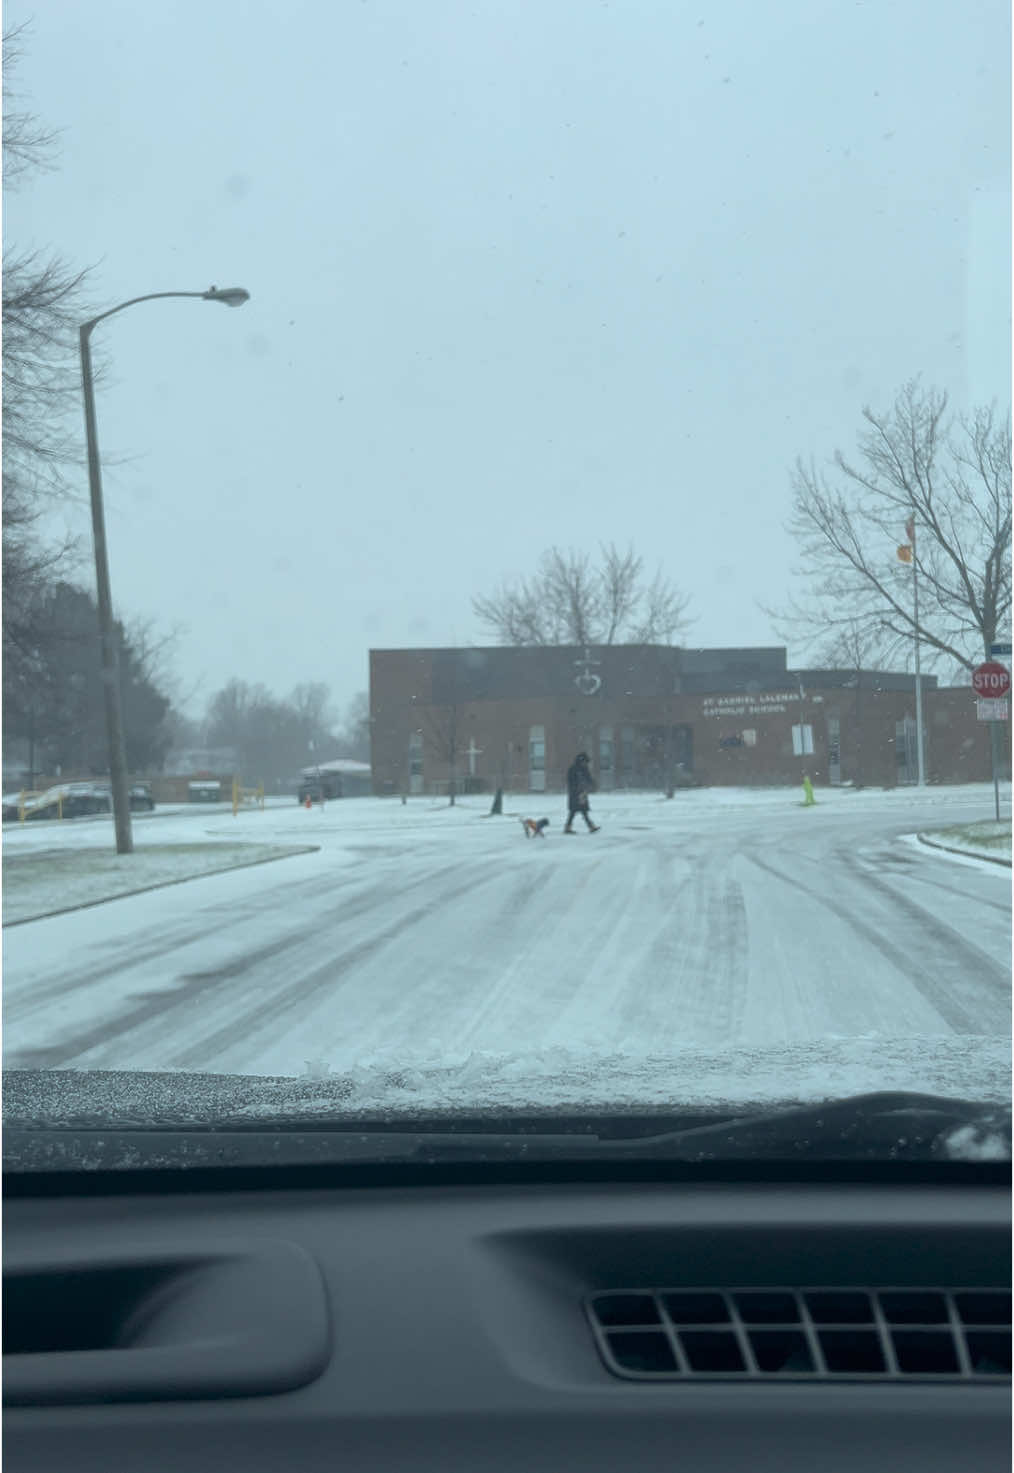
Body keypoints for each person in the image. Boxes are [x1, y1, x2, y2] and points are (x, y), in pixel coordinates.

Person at [564, 751, 599, 833]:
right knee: (574, 811)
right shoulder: (573, 769)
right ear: (581, 761)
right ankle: (589, 826)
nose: (586, 764)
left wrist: (593, 784)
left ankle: (590, 826)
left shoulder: (584, 769)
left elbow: (588, 778)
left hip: (582, 793)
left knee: (583, 810)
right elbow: (570, 781)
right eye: (585, 762)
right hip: (575, 793)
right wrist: (575, 789)